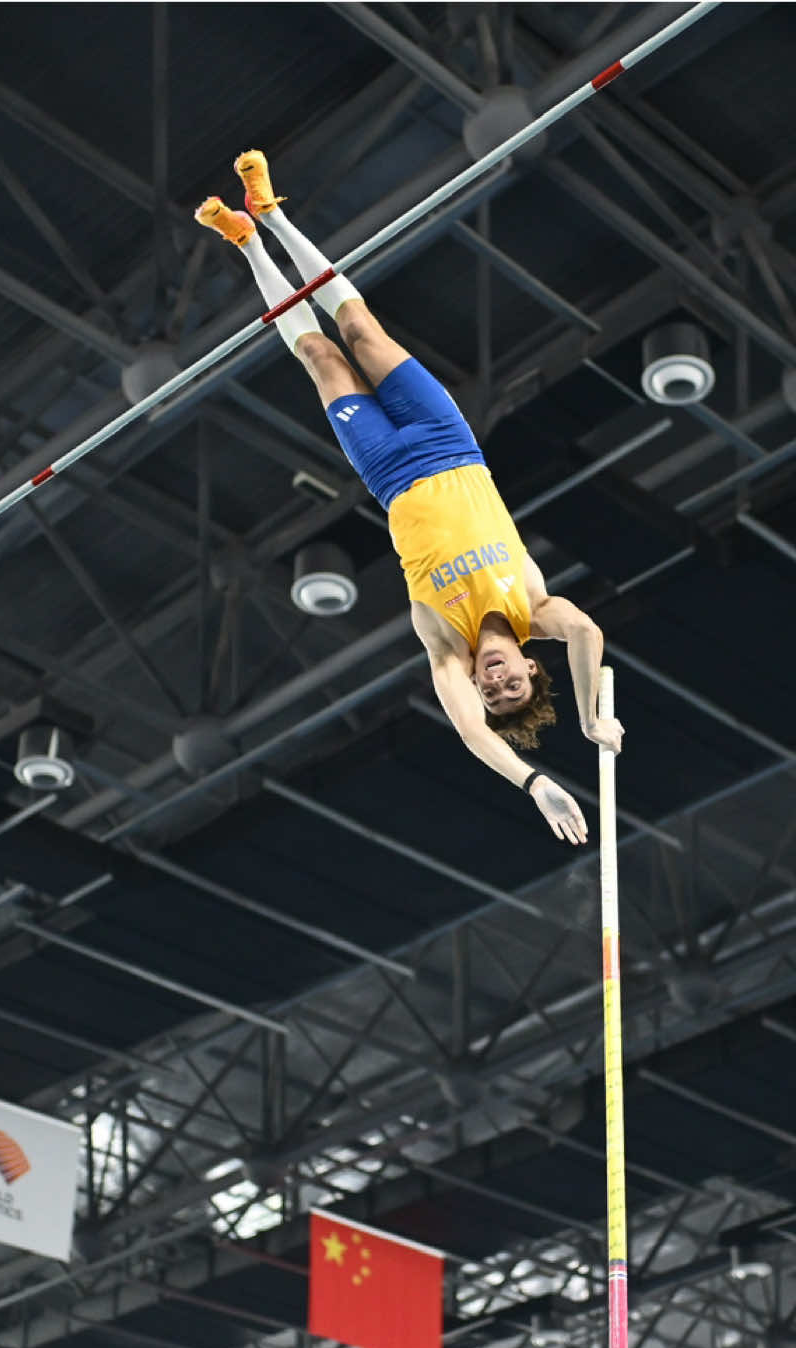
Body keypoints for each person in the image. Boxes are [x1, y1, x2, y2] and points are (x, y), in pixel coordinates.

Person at [195, 151, 623, 843]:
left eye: (493, 694)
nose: (494, 685)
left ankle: (246, 243)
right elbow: (586, 633)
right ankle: (270, 211)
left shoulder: (445, 643)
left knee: (322, 358)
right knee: (362, 331)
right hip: (448, 441)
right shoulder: (535, 607)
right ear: (527, 664)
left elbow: (468, 728)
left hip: (389, 470)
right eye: (512, 685)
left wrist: (535, 782)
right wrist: (587, 718)